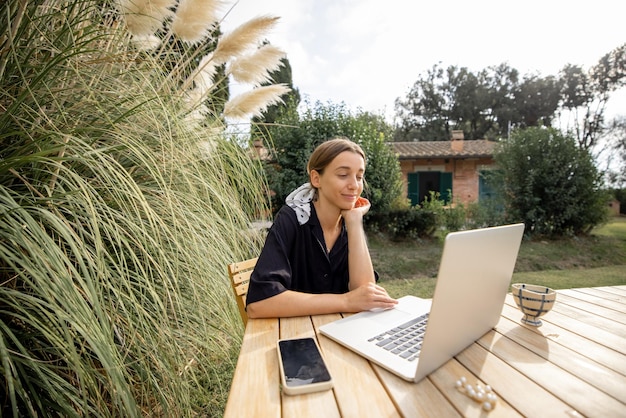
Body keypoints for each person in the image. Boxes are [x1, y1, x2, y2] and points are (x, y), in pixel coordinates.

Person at [246, 137, 397, 318]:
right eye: (343, 175)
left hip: (339, 332)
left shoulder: (348, 225)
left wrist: (355, 221)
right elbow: (259, 304)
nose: (354, 185)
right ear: (316, 179)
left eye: (359, 176)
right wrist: (346, 301)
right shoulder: (292, 218)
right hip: (294, 336)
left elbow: (365, 294)